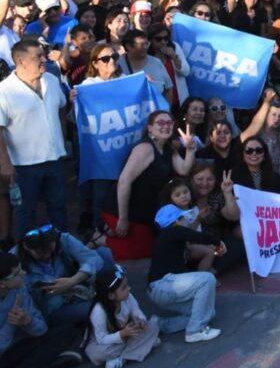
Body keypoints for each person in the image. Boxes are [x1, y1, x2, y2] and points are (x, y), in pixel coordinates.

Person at [103, 112, 197, 260]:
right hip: (124, 211)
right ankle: (98, 238)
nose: (166, 126)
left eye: (169, 122)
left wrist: (190, 150)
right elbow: (124, 182)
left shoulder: (168, 148)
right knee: (136, 253)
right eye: (160, 123)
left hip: (146, 213)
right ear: (150, 128)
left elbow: (183, 169)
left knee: (152, 250)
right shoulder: (145, 148)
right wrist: (123, 218)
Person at [0, 38, 71, 235]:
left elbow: (61, 107)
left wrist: (62, 136)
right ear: (21, 62)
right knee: (25, 213)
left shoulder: (52, 80)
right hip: (23, 166)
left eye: (44, 54)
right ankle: (25, 259)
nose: (44, 59)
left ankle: (62, 251)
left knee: (58, 209)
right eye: (38, 56)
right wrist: (5, 164)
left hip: (54, 159)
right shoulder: (4, 91)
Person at [0, 251, 84, 368]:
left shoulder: (18, 290)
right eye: (17, 273)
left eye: (21, 268)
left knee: (66, 331)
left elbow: (41, 329)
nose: (23, 273)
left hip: (17, 350)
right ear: (2, 283)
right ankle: (50, 367)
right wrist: (11, 324)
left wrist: (28, 321)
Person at [146, 204, 222, 343]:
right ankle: (195, 331)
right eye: (184, 218)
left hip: (159, 289)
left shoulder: (167, 237)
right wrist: (217, 241)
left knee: (207, 313)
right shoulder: (173, 231)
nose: (187, 221)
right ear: (176, 221)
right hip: (162, 285)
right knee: (207, 279)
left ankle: (159, 325)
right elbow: (193, 235)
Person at [17, 224, 111, 328]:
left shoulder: (62, 239)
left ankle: (110, 297)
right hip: (53, 306)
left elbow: (94, 259)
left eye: (50, 251)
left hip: (77, 288)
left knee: (105, 254)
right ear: (26, 247)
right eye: (41, 253)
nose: (47, 256)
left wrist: (72, 281)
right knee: (98, 309)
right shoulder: (15, 264)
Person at [85, 265, 161, 368]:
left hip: (128, 336)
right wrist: (121, 334)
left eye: (127, 285)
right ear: (111, 296)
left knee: (153, 327)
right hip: (107, 343)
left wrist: (141, 321)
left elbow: (138, 312)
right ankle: (141, 347)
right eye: (124, 288)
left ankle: (122, 359)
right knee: (94, 352)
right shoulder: (98, 311)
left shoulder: (128, 297)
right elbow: (101, 339)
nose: (129, 288)